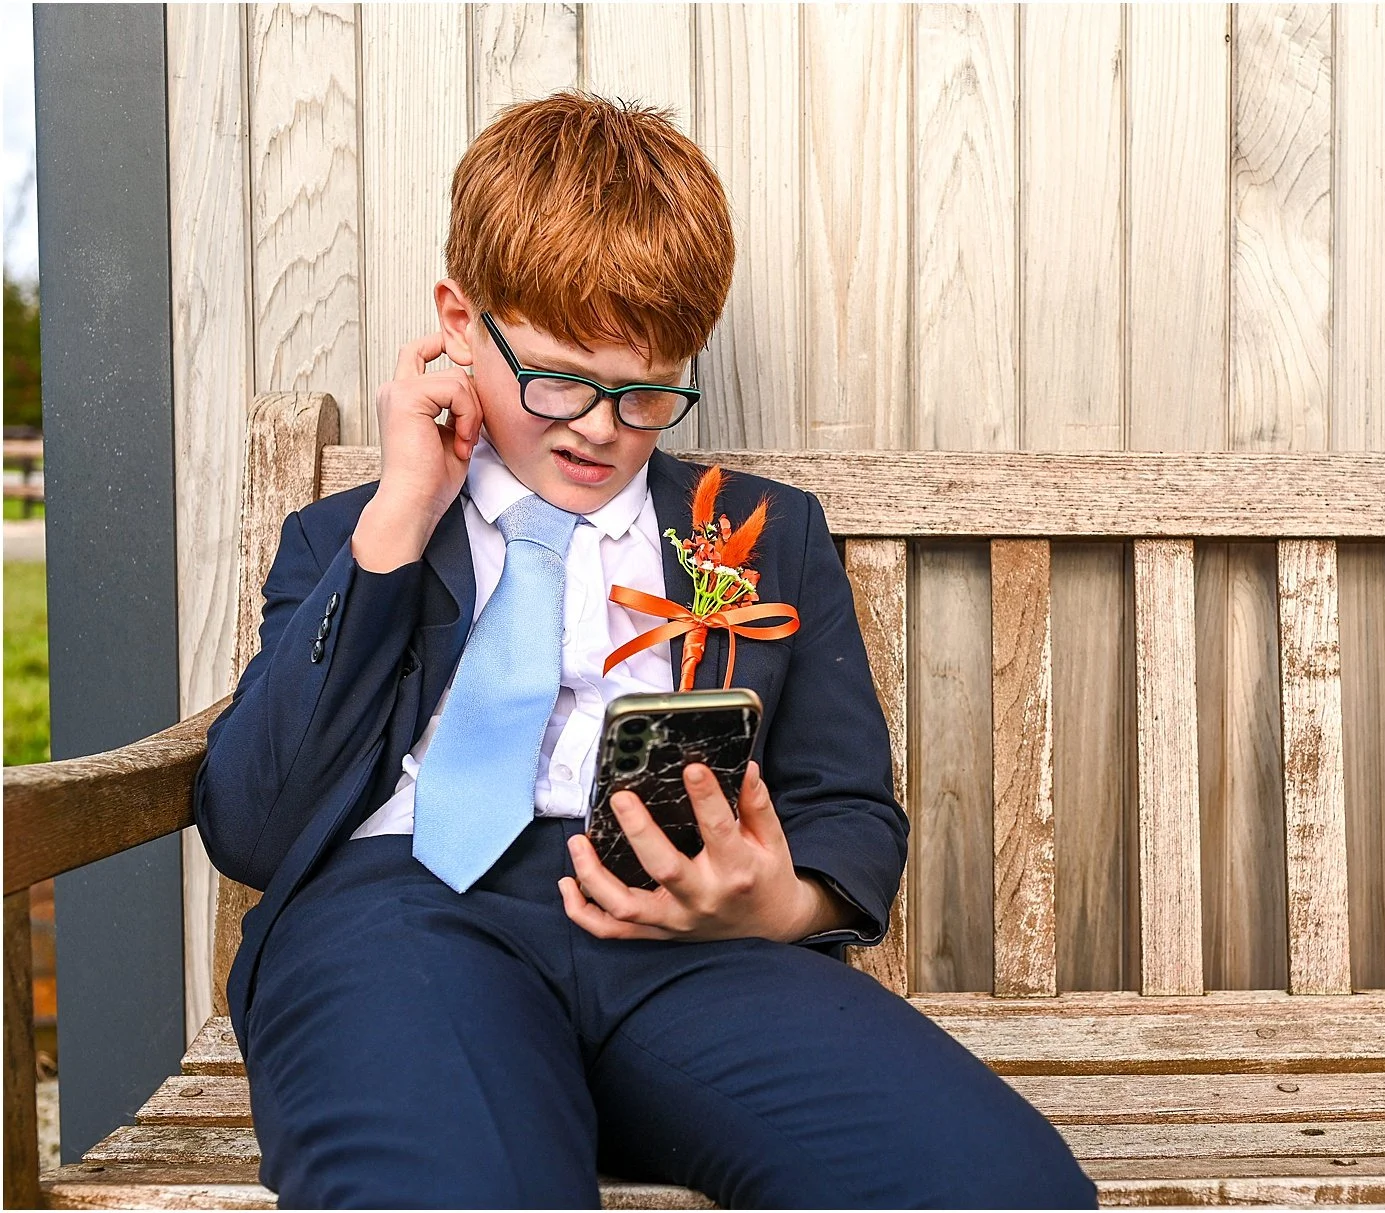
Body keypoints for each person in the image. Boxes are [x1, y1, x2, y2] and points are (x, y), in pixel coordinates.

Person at [193, 91, 1098, 1209]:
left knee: (991, 1184)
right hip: (403, 917)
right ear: (460, 322)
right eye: (558, 377)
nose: (598, 427)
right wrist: (399, 514)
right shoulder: (350, 538)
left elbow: (848, 808)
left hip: (681, 941)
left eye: (647, 390)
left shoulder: (768, 537)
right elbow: (249, 824)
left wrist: (776, 905)